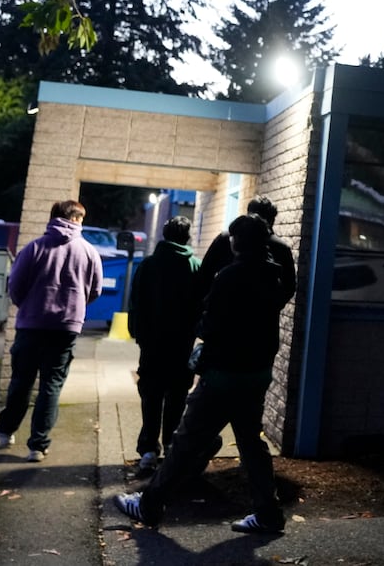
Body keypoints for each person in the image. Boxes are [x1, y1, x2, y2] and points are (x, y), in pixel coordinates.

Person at [115, 213, 291, 534]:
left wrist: (200, 335)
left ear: (239, 243)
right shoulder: (274, 278)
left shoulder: (229, 277)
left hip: (223, 374)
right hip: (256, 374)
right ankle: (268, 512)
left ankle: (149, 504)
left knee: (185, 440)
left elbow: (210, 326)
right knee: (252, 444)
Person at [0, 199, 103, 461]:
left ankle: (6, 430)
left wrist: (29, 306)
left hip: (31, 325)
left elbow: (16, 287)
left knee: (22, 381)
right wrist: (75, 306)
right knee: (51, 386)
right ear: (78, 220)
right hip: (65, 328)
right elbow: (95, 290)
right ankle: (38, 445)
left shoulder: (34, 248)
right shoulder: (89, 252)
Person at [127, 215, 204, 472]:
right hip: (182, 345)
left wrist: (137, 333)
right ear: (188, 237)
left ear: (164, 235)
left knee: (151, 396)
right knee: (177, 397)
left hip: (152, 344)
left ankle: (148, 449)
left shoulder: (149, 265)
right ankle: (171, 446)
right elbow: (202, 306)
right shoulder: (196, 267)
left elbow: (136, 302)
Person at [197, 195, 296, 306]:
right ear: (272, 219)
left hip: (225, 314)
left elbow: (205, 273)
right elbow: (289, 286)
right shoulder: (281, 247)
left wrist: (210, 302)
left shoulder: (227, 239)